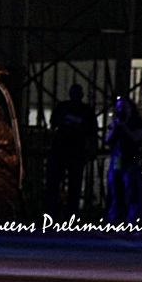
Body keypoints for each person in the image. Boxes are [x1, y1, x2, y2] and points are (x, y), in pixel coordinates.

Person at [45, 84, 97, 217]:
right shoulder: (71, 108)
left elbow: (92, 132)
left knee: (71, 184)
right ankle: (55, 211)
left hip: (73, 152)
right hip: (64, 151)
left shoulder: (82, 110)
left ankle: (66, 212)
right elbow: (54, 122)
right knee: (58, 183)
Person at [106, 96, 142, 223]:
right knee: (116, 189)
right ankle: (115, 218)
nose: (120, 109)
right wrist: (115, 127)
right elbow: (108, 140)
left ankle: (133, 220)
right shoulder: (116, 122)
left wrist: (125, 127)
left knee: (132, 189)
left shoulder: (136, 122)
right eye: (118, 107)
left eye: (123, 106)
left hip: (131, 158)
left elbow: (136, 138)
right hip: (117, 158)